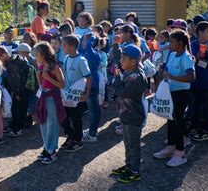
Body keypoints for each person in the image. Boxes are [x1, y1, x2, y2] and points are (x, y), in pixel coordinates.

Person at [154, 29, 195, 167]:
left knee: (178, 122)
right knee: (170, 120)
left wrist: (173, 77)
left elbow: (191, 77)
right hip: (170, 92)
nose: (169, 44)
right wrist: (162, 73)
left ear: (181, 43)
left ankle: (180, 153)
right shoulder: (172, 54)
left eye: (172, 42)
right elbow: (167, 69)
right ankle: (170, 147)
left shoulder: (186, 58)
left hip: (181, 94)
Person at [110, 45, 147, 183]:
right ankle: (129, 165)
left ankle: (135, 171)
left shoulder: (136, 76)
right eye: (121, 58)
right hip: (126, 115)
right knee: (127, 143)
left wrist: (117, 78)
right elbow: (118, 56)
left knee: (134, 145)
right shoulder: (129, 70)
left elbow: (121, 92)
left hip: (133, 116)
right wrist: (115, 46)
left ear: (133, 61)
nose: (121, 61)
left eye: (124, 59)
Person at [34, 42, 67, 164]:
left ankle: (52, 150)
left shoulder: (55, 67)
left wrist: (48, 78)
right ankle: (47, 146)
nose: (35, 57)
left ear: (43, 54)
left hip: (52, 97)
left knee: (52, 123)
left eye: (37, 55)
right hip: (43, 97)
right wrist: (39, 77)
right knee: (43, 122)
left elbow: (62, 84)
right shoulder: (42, 67)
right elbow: (41, 85)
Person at [190, 21, 208, 141]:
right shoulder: (192, 45)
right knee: (194, 106)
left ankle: (206, 130)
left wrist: (207, 53)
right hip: (194, 82)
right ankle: (195, 127)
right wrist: (196, 58)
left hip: (207, 82)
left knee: (207, 107)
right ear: (200, 32)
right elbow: (188, 61)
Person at [61, 35, 92, 153]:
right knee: (63, 117)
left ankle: (78, 141)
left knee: (76, 119)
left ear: (72, 46)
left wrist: (86, 94)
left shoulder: (81, 60)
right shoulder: (67, 58)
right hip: (67, 95)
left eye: (65, 45)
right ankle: (70, 135)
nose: (63, 47)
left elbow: (88, 78)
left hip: (77, 97)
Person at [5, 43, 35, 137]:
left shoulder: (21, 65)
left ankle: (18, 128)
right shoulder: (24, 64)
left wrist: (16, 92)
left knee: (20, 110)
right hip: (21, 91)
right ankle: (14, 125)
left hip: (21, 91)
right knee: (16, 109)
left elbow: (18, 79)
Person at [79, 33, 102, 142]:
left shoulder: (95, 54)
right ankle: (92, 130)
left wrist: (92, 36)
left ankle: (92, 134)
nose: (83, 42)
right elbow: (79, 48)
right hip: (86, 85)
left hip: (92, 86)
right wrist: (82, 39)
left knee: (94, 111)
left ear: (92, 43)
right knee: (93, 110)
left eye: (85, 40)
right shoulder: (84, 53)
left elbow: (88, 47)